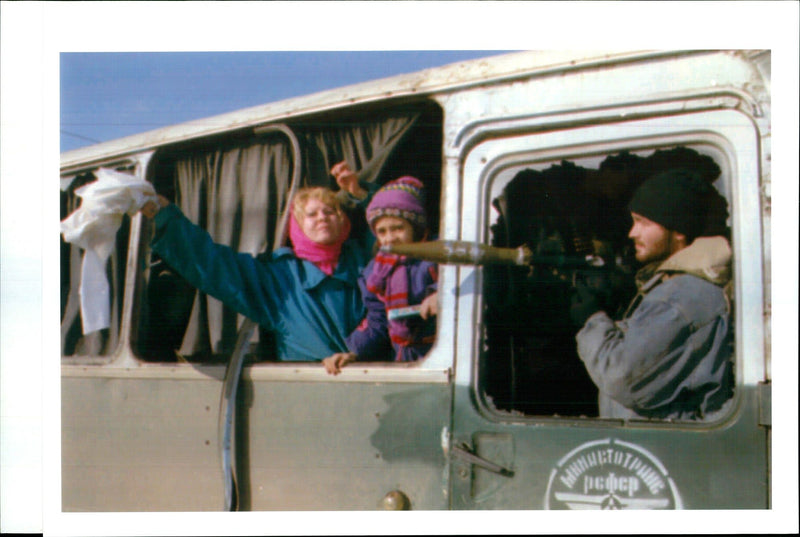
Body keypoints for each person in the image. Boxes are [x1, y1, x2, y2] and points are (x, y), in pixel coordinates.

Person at [140, 161, 379, 362]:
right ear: (297, 226)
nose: (322, 219)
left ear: (343, 221)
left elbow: (393, 233)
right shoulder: (280, 278)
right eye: (312, 214)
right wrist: (165, 217)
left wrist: (361, 194)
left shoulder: (366, 261)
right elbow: (215, 266)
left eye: (330, 212)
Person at [570, 168, 734, 420]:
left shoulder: (679, 298)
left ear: (678, 229)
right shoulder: (680, 287)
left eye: (643, 223)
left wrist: (592, 320)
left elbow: (622, 377)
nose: (632, 233)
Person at [323, 176, 438, 374]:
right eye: (382, 232)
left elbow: (473, 283)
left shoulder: (439, 255)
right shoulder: (375, 272)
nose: (390, 237)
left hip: (442, 356)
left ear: (416, 227)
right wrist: (353, 354)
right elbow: (378, 324)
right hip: (405, 363)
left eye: (398, 228)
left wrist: (444, 295)